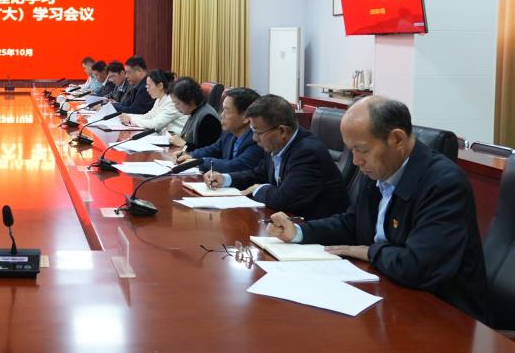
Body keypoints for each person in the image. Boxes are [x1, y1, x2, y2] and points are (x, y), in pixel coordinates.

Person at [266, 96, 489, 324]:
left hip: (442, 317)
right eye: (351, 150)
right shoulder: (380, 168)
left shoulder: (443, 183)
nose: (355, 161)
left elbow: (419, 267)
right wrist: (299, 232)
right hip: (388, 294)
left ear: (397, 139)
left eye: (361, 150)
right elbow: (352, 222)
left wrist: (371, 252)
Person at [203, 94, 348, 220]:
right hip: (285, 222)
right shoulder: (275, 143)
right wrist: (226, 179)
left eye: (258, 132)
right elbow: (258, 174)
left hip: (314, 231)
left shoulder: (307, 152)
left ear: (282, 131)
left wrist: (258, 189)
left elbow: (284, 200)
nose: (254, 138)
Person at [179, 87, 263, 173]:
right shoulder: (229, 133)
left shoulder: (256, 140)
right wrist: (190, 156)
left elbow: (235, 166)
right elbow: (211, 150)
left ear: (246, 117)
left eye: (226, 111)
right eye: (222, 110)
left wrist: (200, 162)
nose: (222, 115)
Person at [118, 70, 186, 134]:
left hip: (178, 139)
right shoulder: (159, 99)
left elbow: (156, 124)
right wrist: (128, 115)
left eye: (149, 86)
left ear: (160, 86)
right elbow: (149, 116)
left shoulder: (171, 101)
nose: (147, 90)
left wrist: (131, 120)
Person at [168, 77, 221, 151]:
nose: (176, 107)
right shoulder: (194, 111)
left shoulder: (208, 118)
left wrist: (183, 144)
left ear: (190, 100)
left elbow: (207, 151)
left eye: (177, 103)